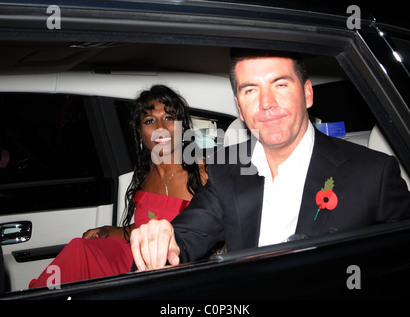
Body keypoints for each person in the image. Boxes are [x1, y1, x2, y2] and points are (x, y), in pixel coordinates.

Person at [130, 49, 410, 271]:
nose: (266, 103)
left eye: (280, 84)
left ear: (307, 93)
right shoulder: (228, 167)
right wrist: (163, 239)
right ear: (240, 108)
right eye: (250, 90)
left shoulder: (374, 173)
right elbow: (189, 234)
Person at [29, 85, 206, 288]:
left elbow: (217, 231)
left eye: (168, 117)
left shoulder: (203, 172)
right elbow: (142, 229)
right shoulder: (143, 176)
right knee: (80, 249)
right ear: (140, 133)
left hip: (177, 269)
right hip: (137, 261)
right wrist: (108, 231)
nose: (160, 127)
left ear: (182, 126)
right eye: (150, 120)